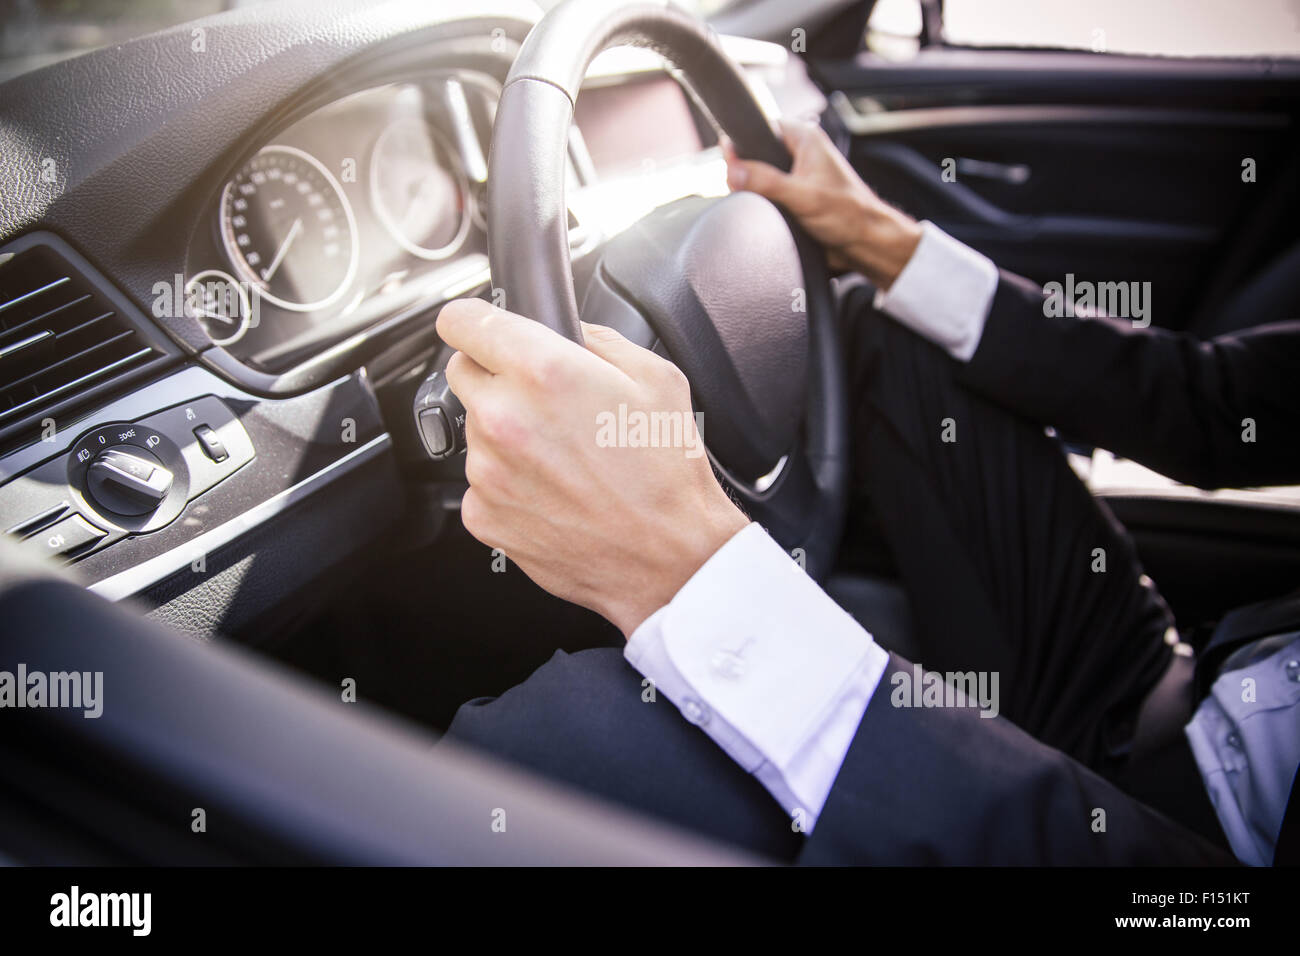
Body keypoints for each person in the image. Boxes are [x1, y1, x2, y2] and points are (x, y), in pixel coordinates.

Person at [437, 120, 1300, 865]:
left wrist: (695, 575)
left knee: (566, 739)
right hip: (1171, 689)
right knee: (891, 340)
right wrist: (879, 236)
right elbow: (1210, 404)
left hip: (1177, 853)